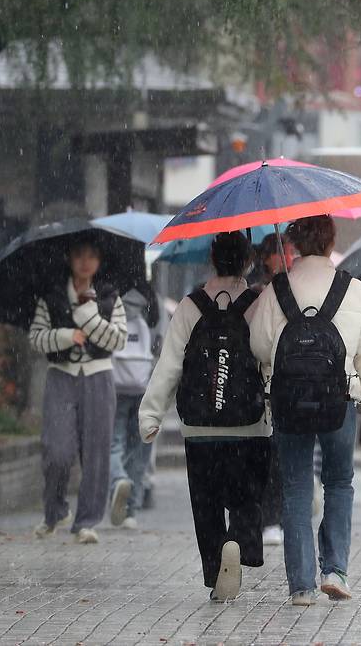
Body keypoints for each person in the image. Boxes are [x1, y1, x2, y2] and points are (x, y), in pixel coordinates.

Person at [250, 215, 361, 606]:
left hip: (288, 402)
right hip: (340, 401)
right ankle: (336, 570)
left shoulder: (276, 291)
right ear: (331, 243)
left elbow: (260, 347)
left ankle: (300, 586)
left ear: (292, 245)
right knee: (339, 482)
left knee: (295, 487)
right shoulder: (354, 290)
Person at [139, 232, 271, 602]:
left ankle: (216, 571)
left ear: (212, 258)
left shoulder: (189, 305)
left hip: (200, 426)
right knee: (249, 498)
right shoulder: (259, 302)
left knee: (206, 502)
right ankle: (239, 540)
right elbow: (266, 358)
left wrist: (150, 414)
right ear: (248, 260)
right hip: (249, 424)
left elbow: (169, 365)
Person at [28, 236, 127, 544]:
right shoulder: (52, 296)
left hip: (99, 378)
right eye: (79, 255)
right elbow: (37, 338)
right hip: (61, 376)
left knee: (96, 453)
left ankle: (86, 521)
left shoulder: (110, 297)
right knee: (56, 450)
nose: (85, 262)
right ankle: (55, 510)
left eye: (92, 256)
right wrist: (66, 335)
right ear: (70, 259)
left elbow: (118, 340)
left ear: (99, 261)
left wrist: (89, 317)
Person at [248, 233, 295, 547]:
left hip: (286, 380)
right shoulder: (255, 291)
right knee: (262, 454)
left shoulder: (295, 289)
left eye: (290, 251)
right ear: (266, 258)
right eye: (281, 252)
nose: (287, 257)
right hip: (257, 384)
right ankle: (261, 516)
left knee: (279, 452)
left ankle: (275, 516)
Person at [109, 287, 157, 530]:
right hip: (142, 386)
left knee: (114, 443)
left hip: (115, 386)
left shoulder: (109, 300)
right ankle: (131, 510)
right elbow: (161, 346)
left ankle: (118, 480)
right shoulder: (150, 307)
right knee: (140, 448)